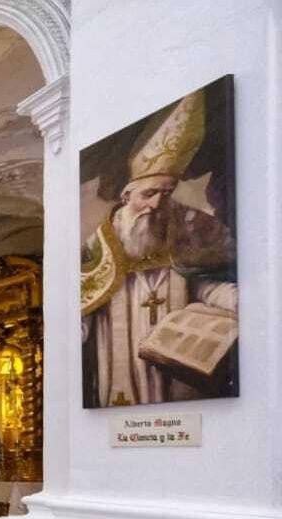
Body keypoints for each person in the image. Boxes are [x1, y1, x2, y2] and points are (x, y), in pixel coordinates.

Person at [81, 88, 236, 408]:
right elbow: (84, 305)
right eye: (149, 194)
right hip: (119, 359)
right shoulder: (99, 243)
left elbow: (204, 284)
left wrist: (242, 301)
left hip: (176, 363)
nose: (156, 204)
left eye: (166, 194)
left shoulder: (185, 229)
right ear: (126, 195)